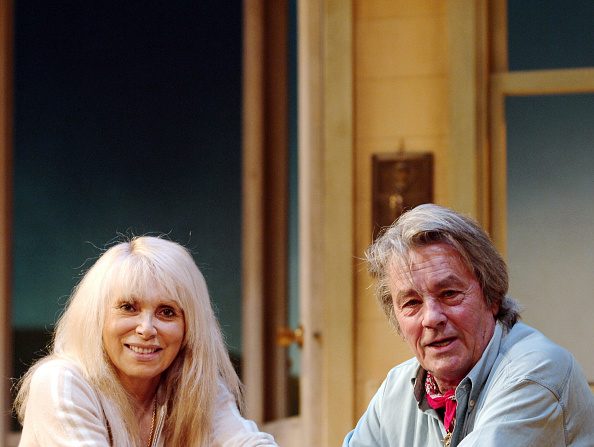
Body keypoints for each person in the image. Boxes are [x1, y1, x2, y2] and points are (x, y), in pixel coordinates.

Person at [343, 204, 594, 447]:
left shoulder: (536, 373)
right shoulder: (397, 387)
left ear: (491, 296)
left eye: (449, 293)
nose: (431, 318)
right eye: (411, 302)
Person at [15, 236, 277, 447]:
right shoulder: (61, 382)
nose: (147, 329)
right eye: (128, 307)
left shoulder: (195, 386)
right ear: (96, 317)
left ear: (189, 328)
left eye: (167, 312)